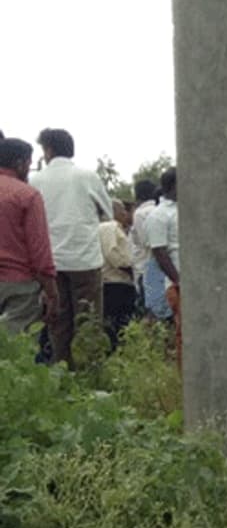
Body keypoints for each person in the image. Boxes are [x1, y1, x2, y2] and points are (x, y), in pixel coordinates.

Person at [28, 128, 112, 365]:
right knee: (89, 320)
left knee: (58, 322)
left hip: (51, 263)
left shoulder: (36, 180)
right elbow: (107, 212)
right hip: (84, 259)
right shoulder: (87, 176)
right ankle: (91, 372)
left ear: (48, 150)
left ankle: (62, 371)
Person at [0, 138, 58, 335]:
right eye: (28, 163)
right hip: (18, 285)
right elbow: (39, 249)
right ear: (19, 163)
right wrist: (51, 293)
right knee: (16, 352)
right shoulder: (27, 195)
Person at [146, 168, 181, 360]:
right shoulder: (158, 215)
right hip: (178, 284)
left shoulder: (186, 210)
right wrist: (178, 280)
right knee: (183, 331)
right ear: (174, 186)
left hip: (196, 281)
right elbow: (159, 251)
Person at [98, 199, 135, 347]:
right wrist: (129, 268)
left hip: (113, 281)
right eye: (122, 210)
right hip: (115, 282)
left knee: (114, 324)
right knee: (117, 324)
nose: (126, 213)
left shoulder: (109, 228)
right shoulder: (110, 227)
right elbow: (111, 252)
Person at [129, 179, 160, 310]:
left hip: (146, 268)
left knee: (149, 311)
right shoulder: (159, 209)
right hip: (159, 268)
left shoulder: (140, 213)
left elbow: (146, 242)